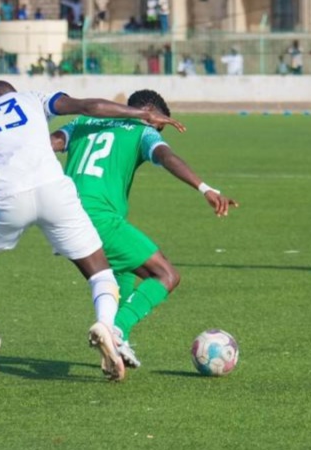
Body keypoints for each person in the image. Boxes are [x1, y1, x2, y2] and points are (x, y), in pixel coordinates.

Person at [0, 80, 185, 381]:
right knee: (101, 273)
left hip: (8, 196)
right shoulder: (31, 99)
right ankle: (106, 326)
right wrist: (141, 115)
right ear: (12, 94)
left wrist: (0, 167)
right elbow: (89, 106)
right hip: (55, 192)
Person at [50, 89, 237, 368]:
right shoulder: (142, 129)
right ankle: (114, 329)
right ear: (150, 114)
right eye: (160, 126)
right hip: (97, 217)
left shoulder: (82, 121)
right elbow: (167, 157)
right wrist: (204, 188)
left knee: (122, 270)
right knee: (167, 274)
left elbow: (47, 143)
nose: (159, 132)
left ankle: (116, 338)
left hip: (60, 217)